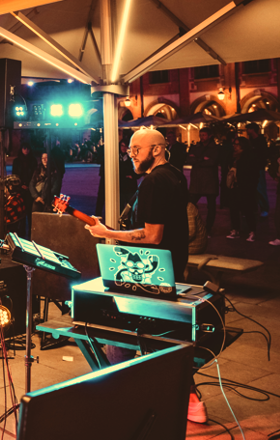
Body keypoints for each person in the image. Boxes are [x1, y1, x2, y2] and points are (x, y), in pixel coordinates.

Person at [84, 129, 205, 423]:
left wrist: (108, 233)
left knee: (120, 330)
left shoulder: (153, 181)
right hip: (170, 266)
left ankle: (119, 394)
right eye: (130, 150)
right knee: (160, 336)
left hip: (150, 270)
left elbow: (152, 236)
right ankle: (188, 400)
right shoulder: (174, 174)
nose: (131, 155)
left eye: (137, 149)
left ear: (157, 149)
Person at [226, 136, 260, 242]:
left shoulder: (249, 156)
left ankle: (252, 231)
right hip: (234, 185)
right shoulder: (232, 156)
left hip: (245, 186)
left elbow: (252, 172)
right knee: (234, 208)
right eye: (234, 144)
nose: (234, 146)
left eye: (237, 144)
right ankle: (235, 229)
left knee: (247, 209)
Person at [188, 129, 220, 234]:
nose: (202, 137)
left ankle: (208, 228)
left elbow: (212, 162)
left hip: (210, 180)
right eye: (200, 135)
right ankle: (193, 225)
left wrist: (197, 159)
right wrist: (203, 159)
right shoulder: (196, 147)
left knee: (211, 206)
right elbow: (189, 159)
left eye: (204, 135)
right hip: (197, 180)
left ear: (210, 136)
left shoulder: (215, 148)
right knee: (190, 204)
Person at [245, 123, 270, 217]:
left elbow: (263, 154)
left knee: (260, 188)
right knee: (253, 189)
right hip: (252, 168)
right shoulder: (251, 140)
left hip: (258, 167)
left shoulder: (260, 141)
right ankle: (255, 208)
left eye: (248, 129)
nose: (247, 131)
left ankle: (264, 208)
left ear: (252, 129)